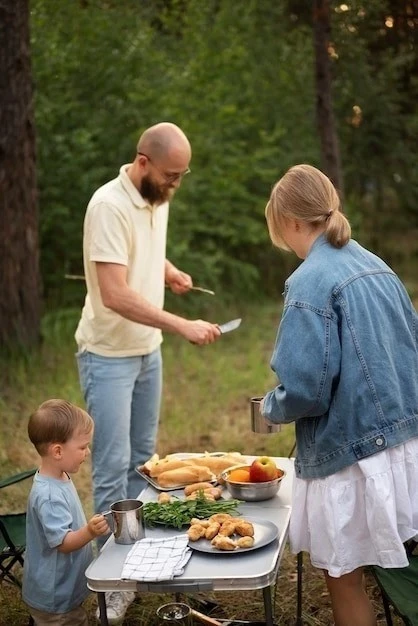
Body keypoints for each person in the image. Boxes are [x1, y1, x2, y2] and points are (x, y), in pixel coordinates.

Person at [75, 122, 221, 622]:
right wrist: (181, 324)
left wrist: (169, 270)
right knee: (112, 469)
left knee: (144, 463)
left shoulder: (154, 196)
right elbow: (113, 293)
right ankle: (113, 582)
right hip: (109, 355)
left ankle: (144, 559)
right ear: (143, 162)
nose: (175, 185)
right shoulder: (108, 205)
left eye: (180, 177)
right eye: (171, 175)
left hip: (146, 352)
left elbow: (141, 252)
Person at [260, 164, 418, 626]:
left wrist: (272, 407)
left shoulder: (309, 281)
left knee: (343, 574)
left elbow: (307, 391)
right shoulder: (377, 264)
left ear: (289, 221)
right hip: (404, 446)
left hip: (352, 455)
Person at [22, 399, 109, 626]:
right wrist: (89, 531)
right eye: (82, 447)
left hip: (63, 587)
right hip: (55, 597)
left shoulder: (58, 475)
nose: (87, 452)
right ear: (58, 451)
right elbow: (63, 542)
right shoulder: (49, 496)